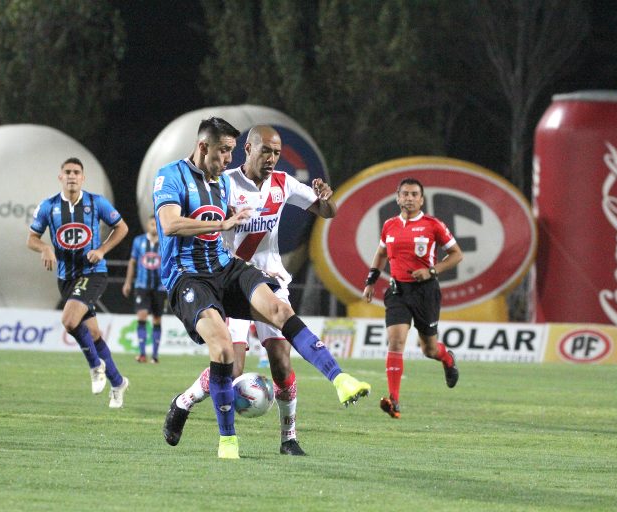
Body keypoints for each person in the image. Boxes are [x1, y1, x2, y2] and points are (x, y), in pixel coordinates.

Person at [154, 117, 370, 459]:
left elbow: (326, 211)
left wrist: (327, 199)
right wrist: (224, 222)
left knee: (282, 359)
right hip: (213, 276)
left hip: (259, 276)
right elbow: (174, 223)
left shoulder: (283, 184)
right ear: (248, 149)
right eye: (266, 151)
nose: (272, 159)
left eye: (277, 153)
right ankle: (188, 402)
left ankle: (295, 431)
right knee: (231, 363)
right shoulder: (222, 181)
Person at [27, 157, 130, 408]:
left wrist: (103, 250)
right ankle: (118, 382)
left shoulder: (96, 203)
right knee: (93, 333)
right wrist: (44, 248)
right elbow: (31, 238)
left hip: (93, 272)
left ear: (83, 178)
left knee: (69, 320)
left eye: (76, 172)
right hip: (65, 278)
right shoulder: (48, 206)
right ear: (60, 177)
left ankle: (96, 366)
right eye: (67, 172)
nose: (72, 176)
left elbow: (122, 228)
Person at [362, 177, 463, 419]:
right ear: (397, 198)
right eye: (405, 194)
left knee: (428, 349)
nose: (409, 198)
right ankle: (394, 400)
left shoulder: (433, 225)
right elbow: (381, 254)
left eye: (414, 194)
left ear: (421, 199)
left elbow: (456, 255)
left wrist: (432, 271)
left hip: (425, 292)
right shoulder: (389, 226)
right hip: (398, 291)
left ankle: (447, 358)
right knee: (395, 341)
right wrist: (370, 281)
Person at [122, 215, 167, 363]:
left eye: (156, 225)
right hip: (142, 285)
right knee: (141, 316)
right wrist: (128, 283)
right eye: (152, 224)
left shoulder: (165, 241)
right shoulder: (138, 241)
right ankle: (142, 354)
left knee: (156, 319)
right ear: (148, 226)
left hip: (160, 287)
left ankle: (154, 355)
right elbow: (132, 262)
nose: (154, 227)